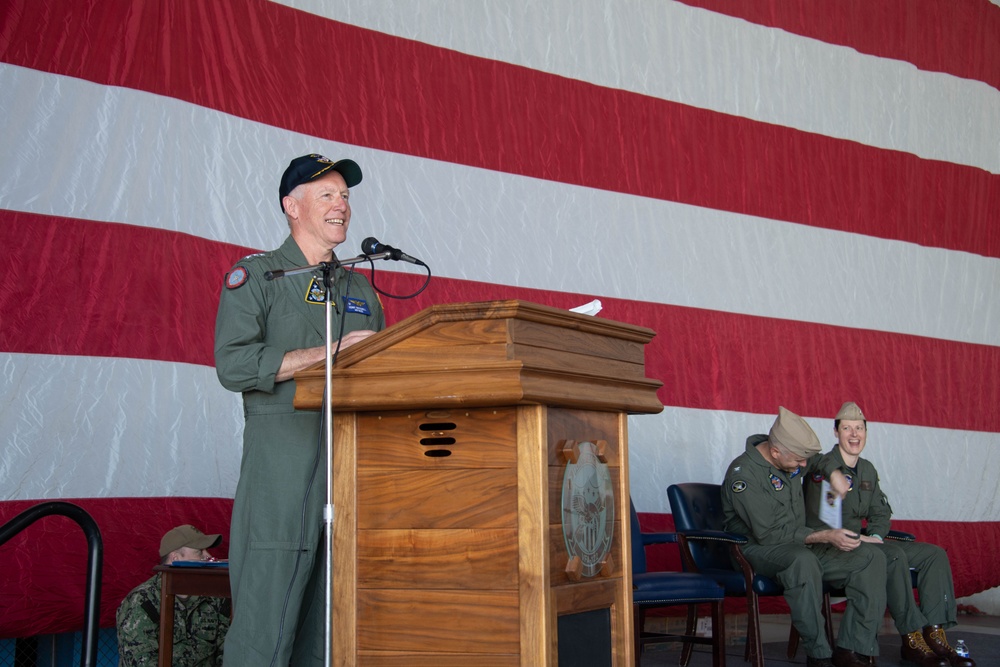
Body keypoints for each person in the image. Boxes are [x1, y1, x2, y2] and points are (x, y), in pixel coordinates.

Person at [214, 154, 385, 665]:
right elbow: (235, 366)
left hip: (349, 468)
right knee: (266, 623)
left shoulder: (361, 287)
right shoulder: (257, 277)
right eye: (328, 195)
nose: (342, 205)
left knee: (329, 630)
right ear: (292, 206)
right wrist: (330, 352)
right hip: (282, 470)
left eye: (346, 196)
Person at [804, 402, 975, 667]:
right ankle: (911, 637)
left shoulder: (867, 469)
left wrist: (876, 535)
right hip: (835, 547)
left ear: (866, 432)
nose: (854, 434)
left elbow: (880, 513)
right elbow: (825, 522)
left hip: (867, 543)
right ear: (835, 432)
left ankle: (934, 633)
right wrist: (861, 540)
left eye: (859, 428)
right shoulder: (823, 471)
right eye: (847, 428)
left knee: (934, 554)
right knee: (893, 555)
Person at [722, 406, 888, 667]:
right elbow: (770, 534)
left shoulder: (791, 456)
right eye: (798, 461)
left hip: (799, 541)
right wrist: (825, 535)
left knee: (869, 557)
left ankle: (852, 649)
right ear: (775, 452)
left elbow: (818, 460)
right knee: (802, 561)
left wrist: (833, 473)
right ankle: (819, 654)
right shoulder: (744, 476)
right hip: (755, 549)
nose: (802, 466)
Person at [116, 524, 230, 667]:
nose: (209, 557)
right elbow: (140, 661)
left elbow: (228, 651)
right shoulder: (142, 602)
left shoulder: (215, 597)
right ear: (175, 558)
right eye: (200, 551)